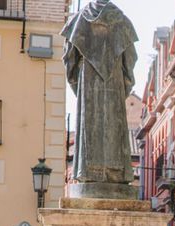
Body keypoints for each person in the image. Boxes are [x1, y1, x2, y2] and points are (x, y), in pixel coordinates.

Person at [61, 0, 138, 188]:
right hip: (115, 81)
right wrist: (121, 89)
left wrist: (79, 85)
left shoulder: (79, 21)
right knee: (114, 125)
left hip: (88, 81)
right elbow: (130, 61)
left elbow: (69, 60)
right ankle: (116, 172)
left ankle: (87, 171)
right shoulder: (122, 21)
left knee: (89, 125)